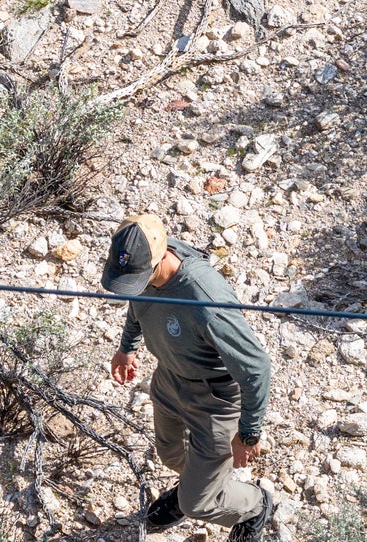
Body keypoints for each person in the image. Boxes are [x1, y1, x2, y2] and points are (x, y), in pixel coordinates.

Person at [101, 214, 274, 541]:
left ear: (161, 258)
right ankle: (193, 483)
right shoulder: (145, 270)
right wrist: (127, 348)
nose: (133, 286)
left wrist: (248, 435)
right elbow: (137, 299)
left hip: (215, 400)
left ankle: (254, 505)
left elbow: (256, 367)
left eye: (138, 277)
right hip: (169, 378)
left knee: (199, 504)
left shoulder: (203, 296)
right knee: (169, 453)